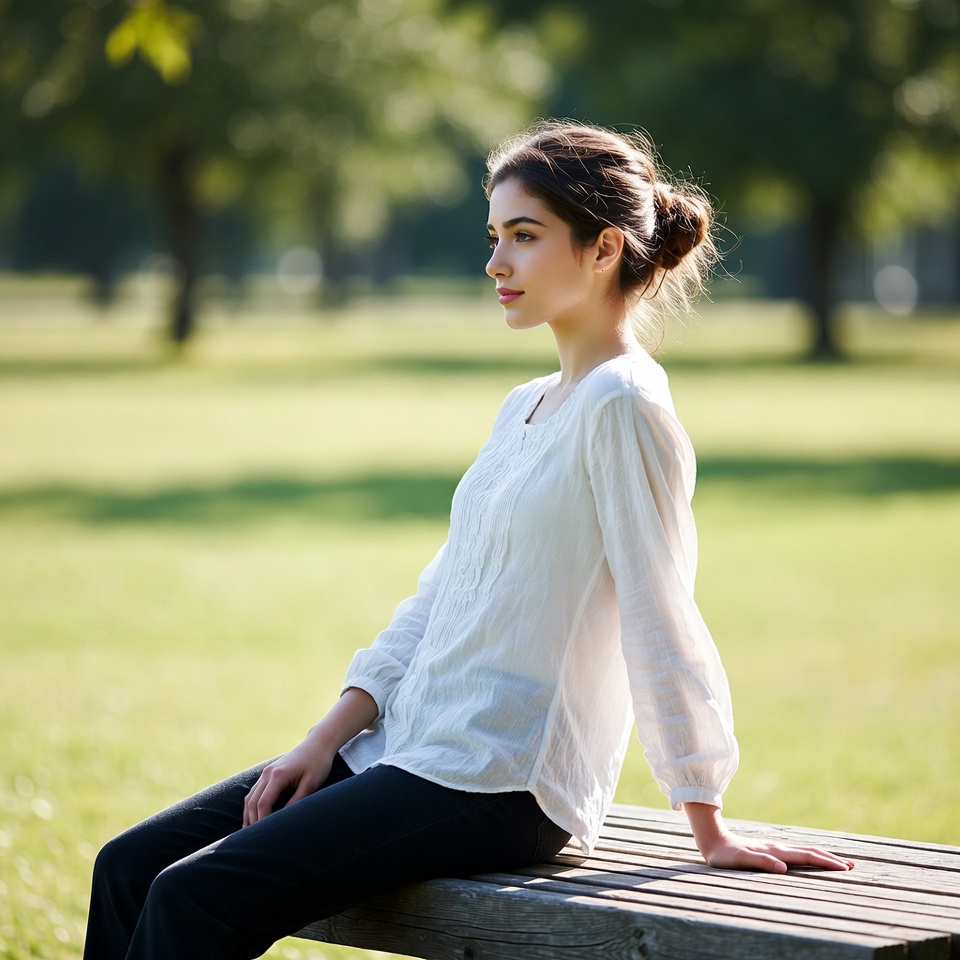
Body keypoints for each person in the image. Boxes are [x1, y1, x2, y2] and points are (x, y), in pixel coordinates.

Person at [84, 121, 853, 960]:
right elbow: (440, 594)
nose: (496, 264)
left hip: (500, 780)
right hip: (408, 747)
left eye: (524, 238)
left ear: (602, 249)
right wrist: (326, 737)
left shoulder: (624, 406)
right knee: (127, 866)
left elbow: (658, 611)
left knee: (194, 894)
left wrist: (704, 816)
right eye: (494, 237)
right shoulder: (526, 403)